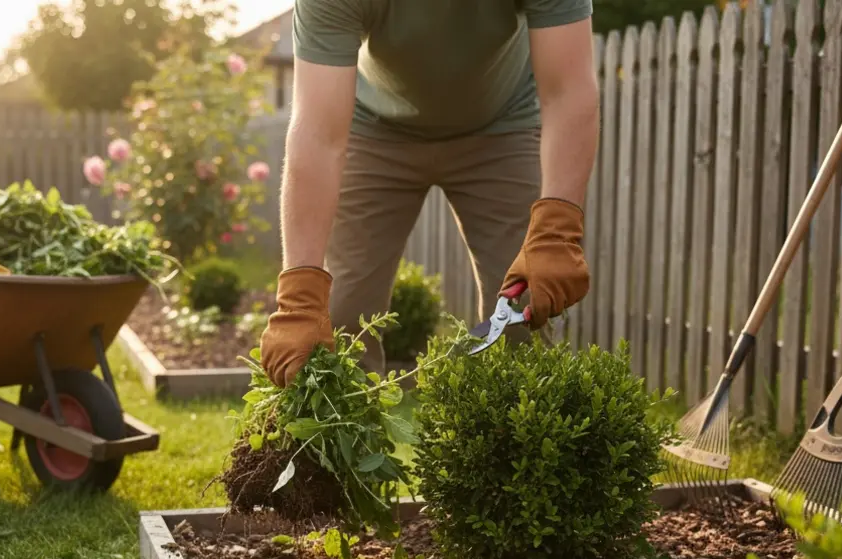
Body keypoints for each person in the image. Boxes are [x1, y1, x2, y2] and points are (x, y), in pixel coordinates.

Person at [257, 0, 600, 387]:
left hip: (501, 127)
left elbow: (569, 93)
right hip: (375, 131)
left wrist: (556, 229)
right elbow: (318, 135)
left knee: (523, 311)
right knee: (341, 314)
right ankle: (334, 440)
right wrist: (299, 294)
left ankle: (510, 444)